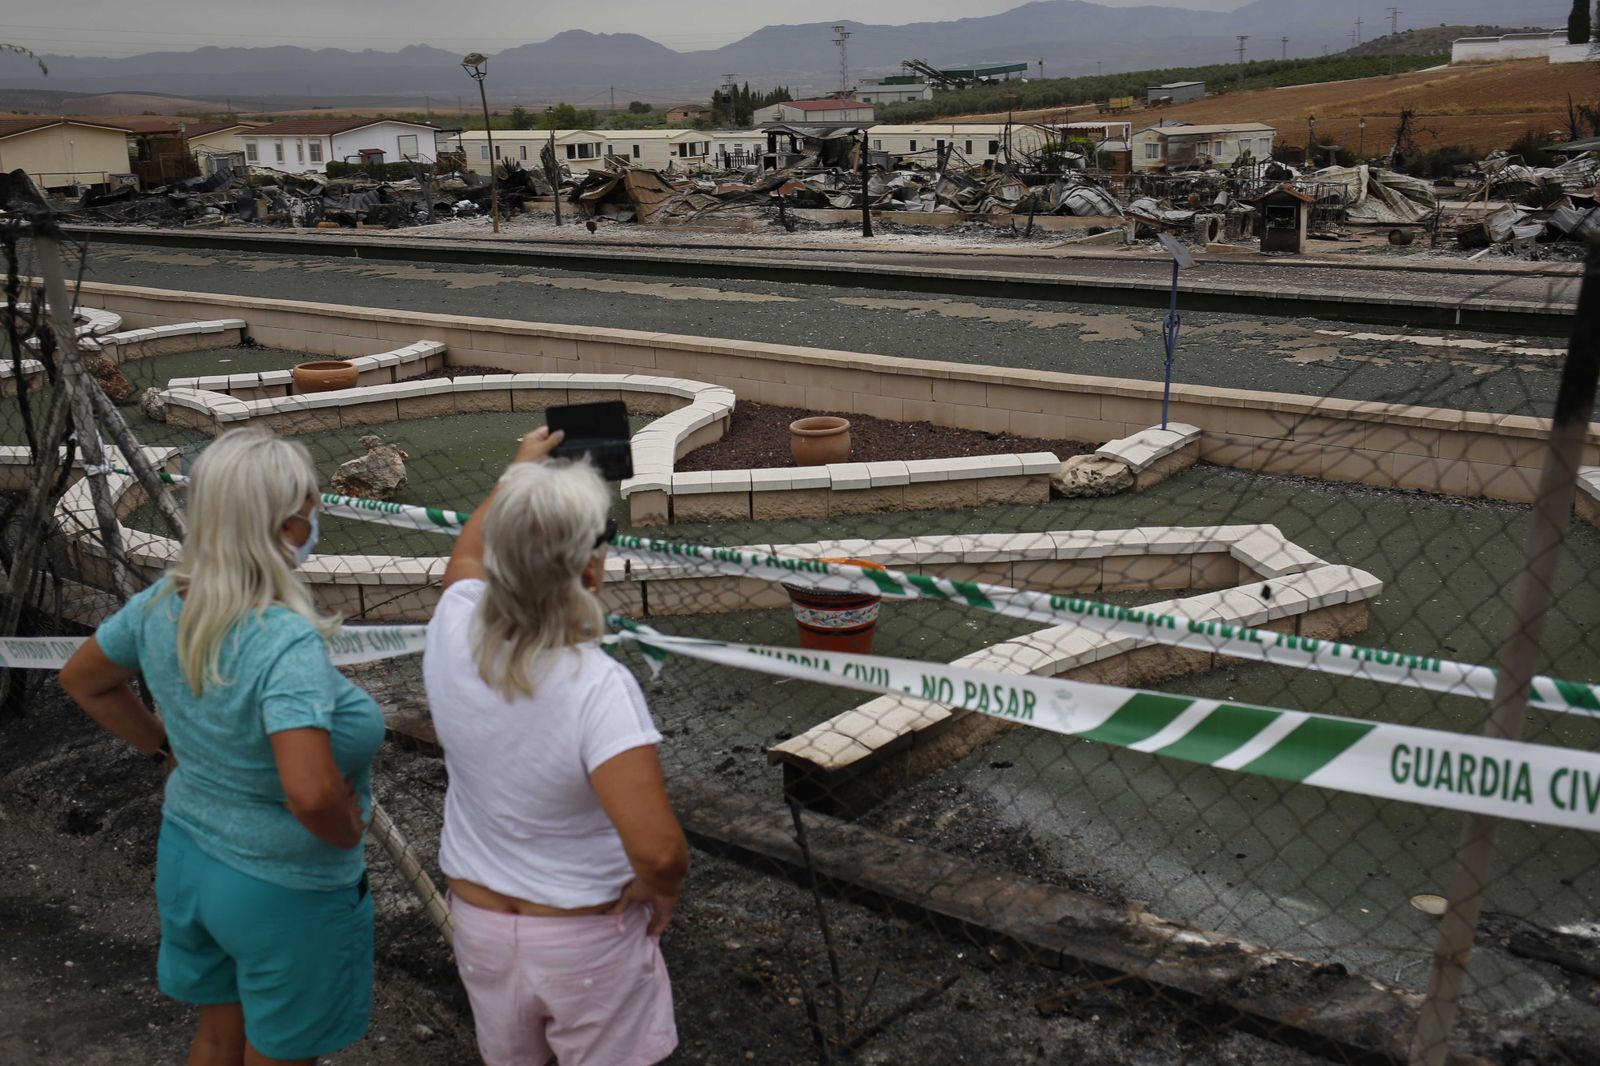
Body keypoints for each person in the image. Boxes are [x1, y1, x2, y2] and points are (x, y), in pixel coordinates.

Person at [59, 426, 384, 1066]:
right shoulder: (284, 640)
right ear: (290, 526)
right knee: (280, 1051)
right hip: (282, 885)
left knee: (217, 1037)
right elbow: (311, 789)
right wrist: (345, 830)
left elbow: (83, 679)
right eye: (311, 504)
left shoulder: (164, 602)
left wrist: (163, 747)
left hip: (189, 856)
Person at [424, 426, 687, 1066]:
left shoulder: (454, 623)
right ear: (590, 567)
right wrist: (663, 888)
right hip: (583, 940)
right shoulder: (596, 686)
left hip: (481, 927)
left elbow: (465, 556)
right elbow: (656, 849)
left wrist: (517, 474)